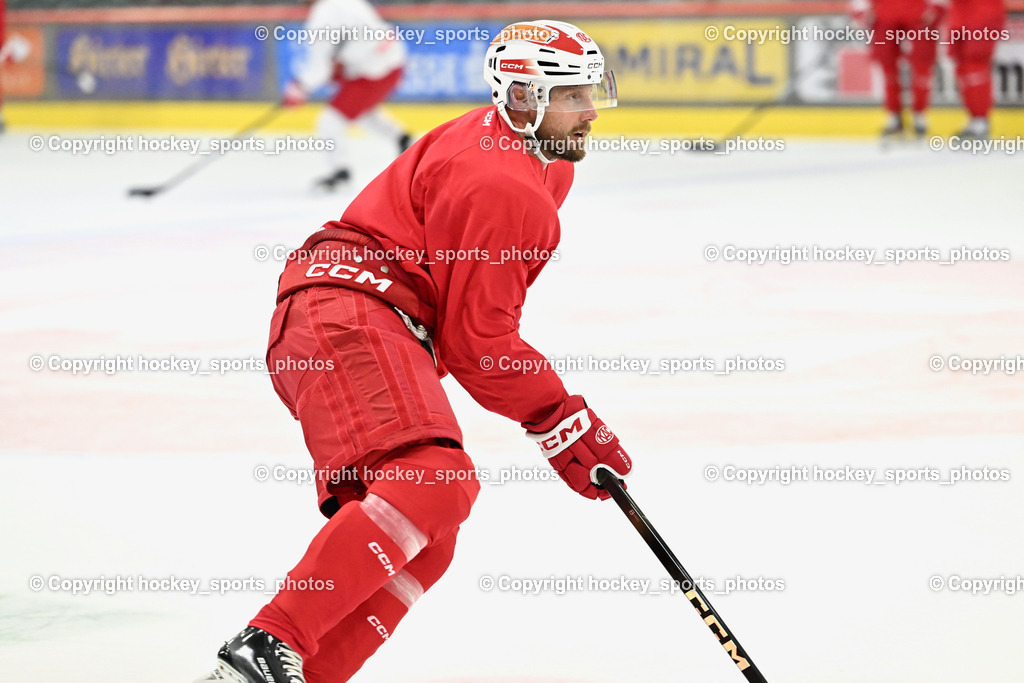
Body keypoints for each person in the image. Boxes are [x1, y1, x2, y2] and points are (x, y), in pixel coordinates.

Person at [194, 20, 632, 683]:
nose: (591, 109)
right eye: (572, 95)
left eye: (590, 91)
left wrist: (551, 415)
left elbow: (470, 327)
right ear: (521, 98)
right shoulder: (506, 184)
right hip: (348, 313)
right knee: (436, 480)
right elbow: (480, 343)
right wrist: (559, 418)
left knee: (429, 534)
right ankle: (267, 642)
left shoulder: (538, 166)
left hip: (349, 317)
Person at [281, 0, 413, 190]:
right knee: (357, 110)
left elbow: (320, 70)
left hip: (373, 70)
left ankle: (341, 171)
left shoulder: (320, 18)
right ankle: (402, 138)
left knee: (330, 120)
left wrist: (299, 88)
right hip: (391, 58)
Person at [851, 0, 947, 140]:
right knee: (888, 67)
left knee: (922, 65)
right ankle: (894, 116)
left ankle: (919, 115)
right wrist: (861, 10)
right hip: (884, 13)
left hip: (919, 12)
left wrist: (937, 6)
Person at [947, 0, 1007, 139]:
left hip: (982, 14)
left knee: (975, 67)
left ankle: (980, 120)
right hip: (961, 14)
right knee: (963, 67)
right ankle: (975, 119)